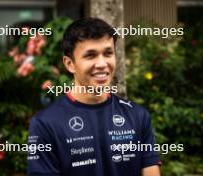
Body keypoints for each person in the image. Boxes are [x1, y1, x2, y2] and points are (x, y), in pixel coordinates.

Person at [27, 18, 161, 176]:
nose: (102, 64)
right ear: (69, 64)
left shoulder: (138, 116)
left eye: (108, 53)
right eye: (91, 55)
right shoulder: (45, 124)